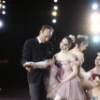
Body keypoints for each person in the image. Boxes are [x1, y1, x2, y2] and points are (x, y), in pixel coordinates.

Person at [47, 35, 87, 100]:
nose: (62, 45)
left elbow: (75, 72)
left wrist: (64, 81)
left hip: (70, 80)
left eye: (65, 44)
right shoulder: (56, 55)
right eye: (61, 42)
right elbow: (53, 68)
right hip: (60, 80)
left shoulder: (71, 56)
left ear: (68, 46)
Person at [21, 25, 54, 100]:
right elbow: (23, 59)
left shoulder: (50, 45)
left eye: (49, 37)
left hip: (46, 77)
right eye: (45, 36)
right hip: (34, 77)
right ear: (40, 32)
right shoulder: (30, 42)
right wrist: (26, 65)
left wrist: (51, 62)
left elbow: (50, 58)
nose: (47, 39)